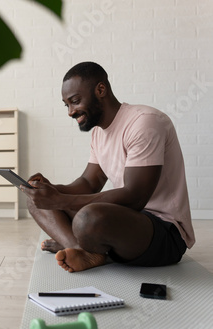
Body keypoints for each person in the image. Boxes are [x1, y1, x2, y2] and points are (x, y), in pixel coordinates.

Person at [22, 62, 195, 273]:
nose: (70, 112)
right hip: (125, 220)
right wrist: (51, 191)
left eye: (75, 101)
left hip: (164, 232)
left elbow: (135, 197)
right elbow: (88, 182)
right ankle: (80, 249)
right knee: (35, 201)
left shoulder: (144, 122)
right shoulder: (99, 133)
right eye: (66, 105)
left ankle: (78, 244)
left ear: (101, 90)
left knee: (88, 218)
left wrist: (60, 199)